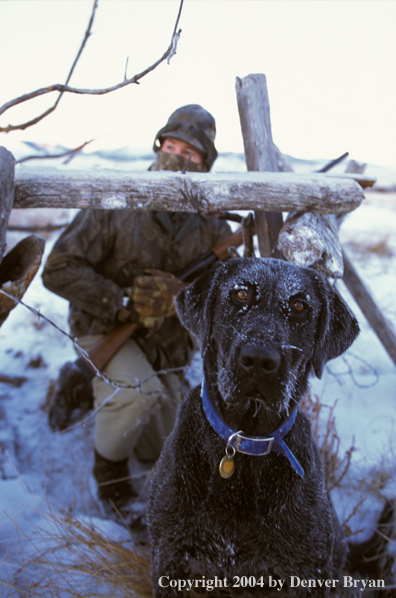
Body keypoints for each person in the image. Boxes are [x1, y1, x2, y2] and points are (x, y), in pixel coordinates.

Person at [42, 104, 231, 514]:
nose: (176, 156)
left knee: (167, 435)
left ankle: (97, 393)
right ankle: (109, 484)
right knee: (137, 394)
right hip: (103, 328)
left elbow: (225, 294)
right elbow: (57, 270)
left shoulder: (214, 224)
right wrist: (123, 302)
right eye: (171, 144)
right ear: (158, 144)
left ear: (205, 163)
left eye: (190, 153)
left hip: (166, 344)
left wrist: (181, 296)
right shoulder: (117, 199)